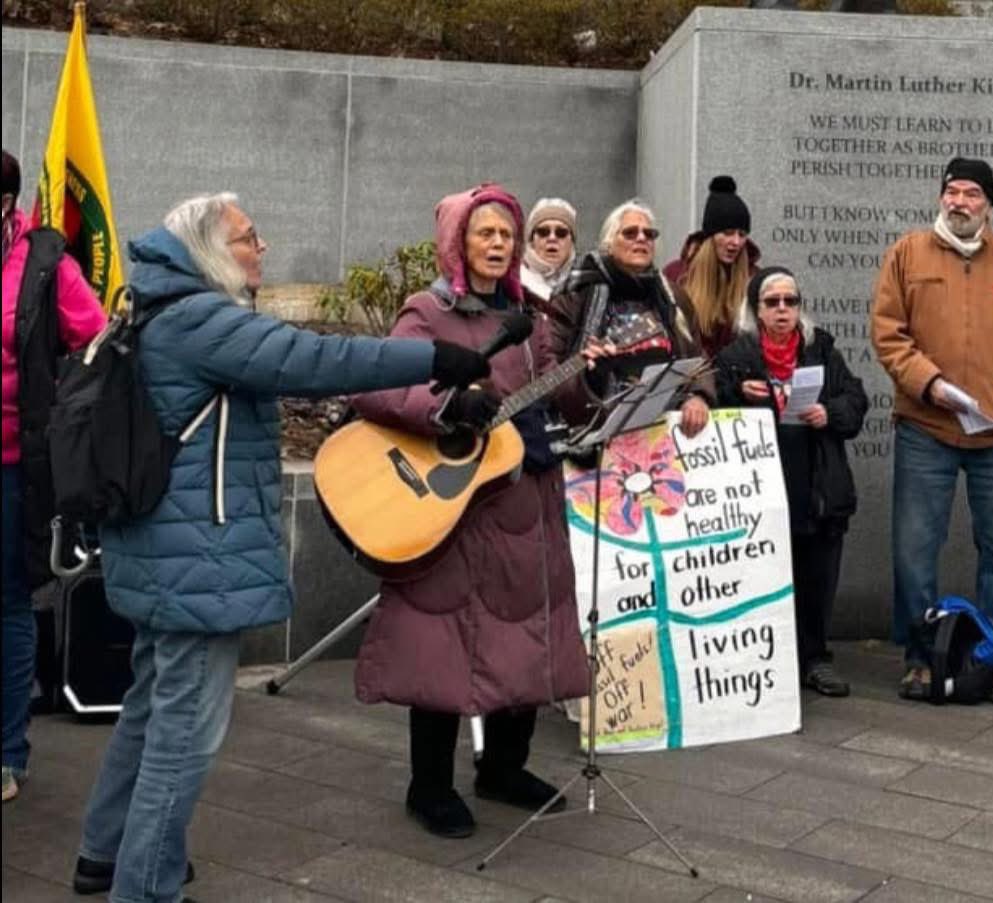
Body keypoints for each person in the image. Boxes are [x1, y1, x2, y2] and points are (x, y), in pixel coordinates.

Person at [73, 192, 488, 901]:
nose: (262, 248)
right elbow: (312, 357)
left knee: (150, 708)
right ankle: (144, 887)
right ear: (209, 250)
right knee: (185, 733)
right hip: (198, 558)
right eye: (248, 238)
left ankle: (105, 853)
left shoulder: (152, 308)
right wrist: (435, 355)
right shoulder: (202, 317)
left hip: (163, 552)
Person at [350, 183, 592, 840]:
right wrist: (447, 406)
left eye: (506, 235)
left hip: (525, 498)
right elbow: (380, 382)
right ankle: (428, 784)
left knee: (526, 633)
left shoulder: (528, 314)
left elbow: (553, 385)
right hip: (452, 509)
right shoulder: (425, 311)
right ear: (458, 240)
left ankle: (503, 768)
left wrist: (590, 374)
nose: (498, 245)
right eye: (485, 233)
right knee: (441, 643)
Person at [870, 157, 993, 704]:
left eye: (971, 193)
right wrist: (927, 383)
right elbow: (888, 332)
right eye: (951, 191)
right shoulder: (906, 254)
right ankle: (921, 660)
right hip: (925, 428)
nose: (958, 201)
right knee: (914, 550)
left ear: (989, 205)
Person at [2, 149, 107, 804]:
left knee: (7, 604)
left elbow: (96, 350)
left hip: (13, 468)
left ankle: (6, 751)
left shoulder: (44, 266)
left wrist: (61, 432)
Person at [716, 267, 867, 696]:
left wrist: (829, 414)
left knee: (817, 576)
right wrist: (736, 396)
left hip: (817, 484)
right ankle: (767, 660)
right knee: (762, 577)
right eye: (772, 302)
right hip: (761, 487)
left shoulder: (822, 349)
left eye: (791, 301)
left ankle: (816, 658)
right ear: (756, 310)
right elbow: (711, 417)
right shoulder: (735, 357)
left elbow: (855, 400)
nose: (783, 310)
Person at [548, 198, 715, 436]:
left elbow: (698, 355)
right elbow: (548, 362)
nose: (641, 238)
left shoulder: (672, 295)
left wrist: (699, 396)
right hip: (592, 430)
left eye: (649, 233)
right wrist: (585, 378)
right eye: (630, 233)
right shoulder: (576, 293)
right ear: (609, 243)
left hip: (664, 432)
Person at [666, 175, 761, 358]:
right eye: (727, 233)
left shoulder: (754, 278)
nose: (735, 242)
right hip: (692, 378)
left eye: (742, 235)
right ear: (710, 236)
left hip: (737, 380)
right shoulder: (676, 275)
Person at [519, 197, 577, 309]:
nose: (552, 238)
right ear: (531, 240)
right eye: (543, 232)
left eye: (561, 233)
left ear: (572, 242)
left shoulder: (584, 287)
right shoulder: (514, 284)